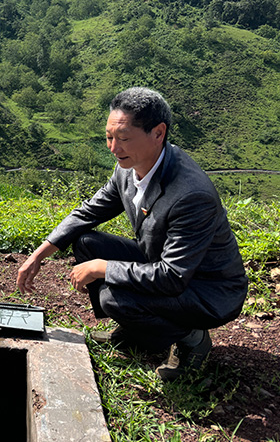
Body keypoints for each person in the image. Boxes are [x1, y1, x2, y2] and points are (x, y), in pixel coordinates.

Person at [16, 87, 247, 381]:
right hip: (162, 264)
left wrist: (103, 268)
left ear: (158, 133)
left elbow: (173, 276)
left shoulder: (191, 194)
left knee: (114, 297)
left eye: (123, 139)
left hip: (206, 289)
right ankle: (138, 331)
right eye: (110, 137)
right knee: (87, 243)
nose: (113, 148)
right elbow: (90, 211)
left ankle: (192, 338)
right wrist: (40, 253)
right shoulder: (129, 167)